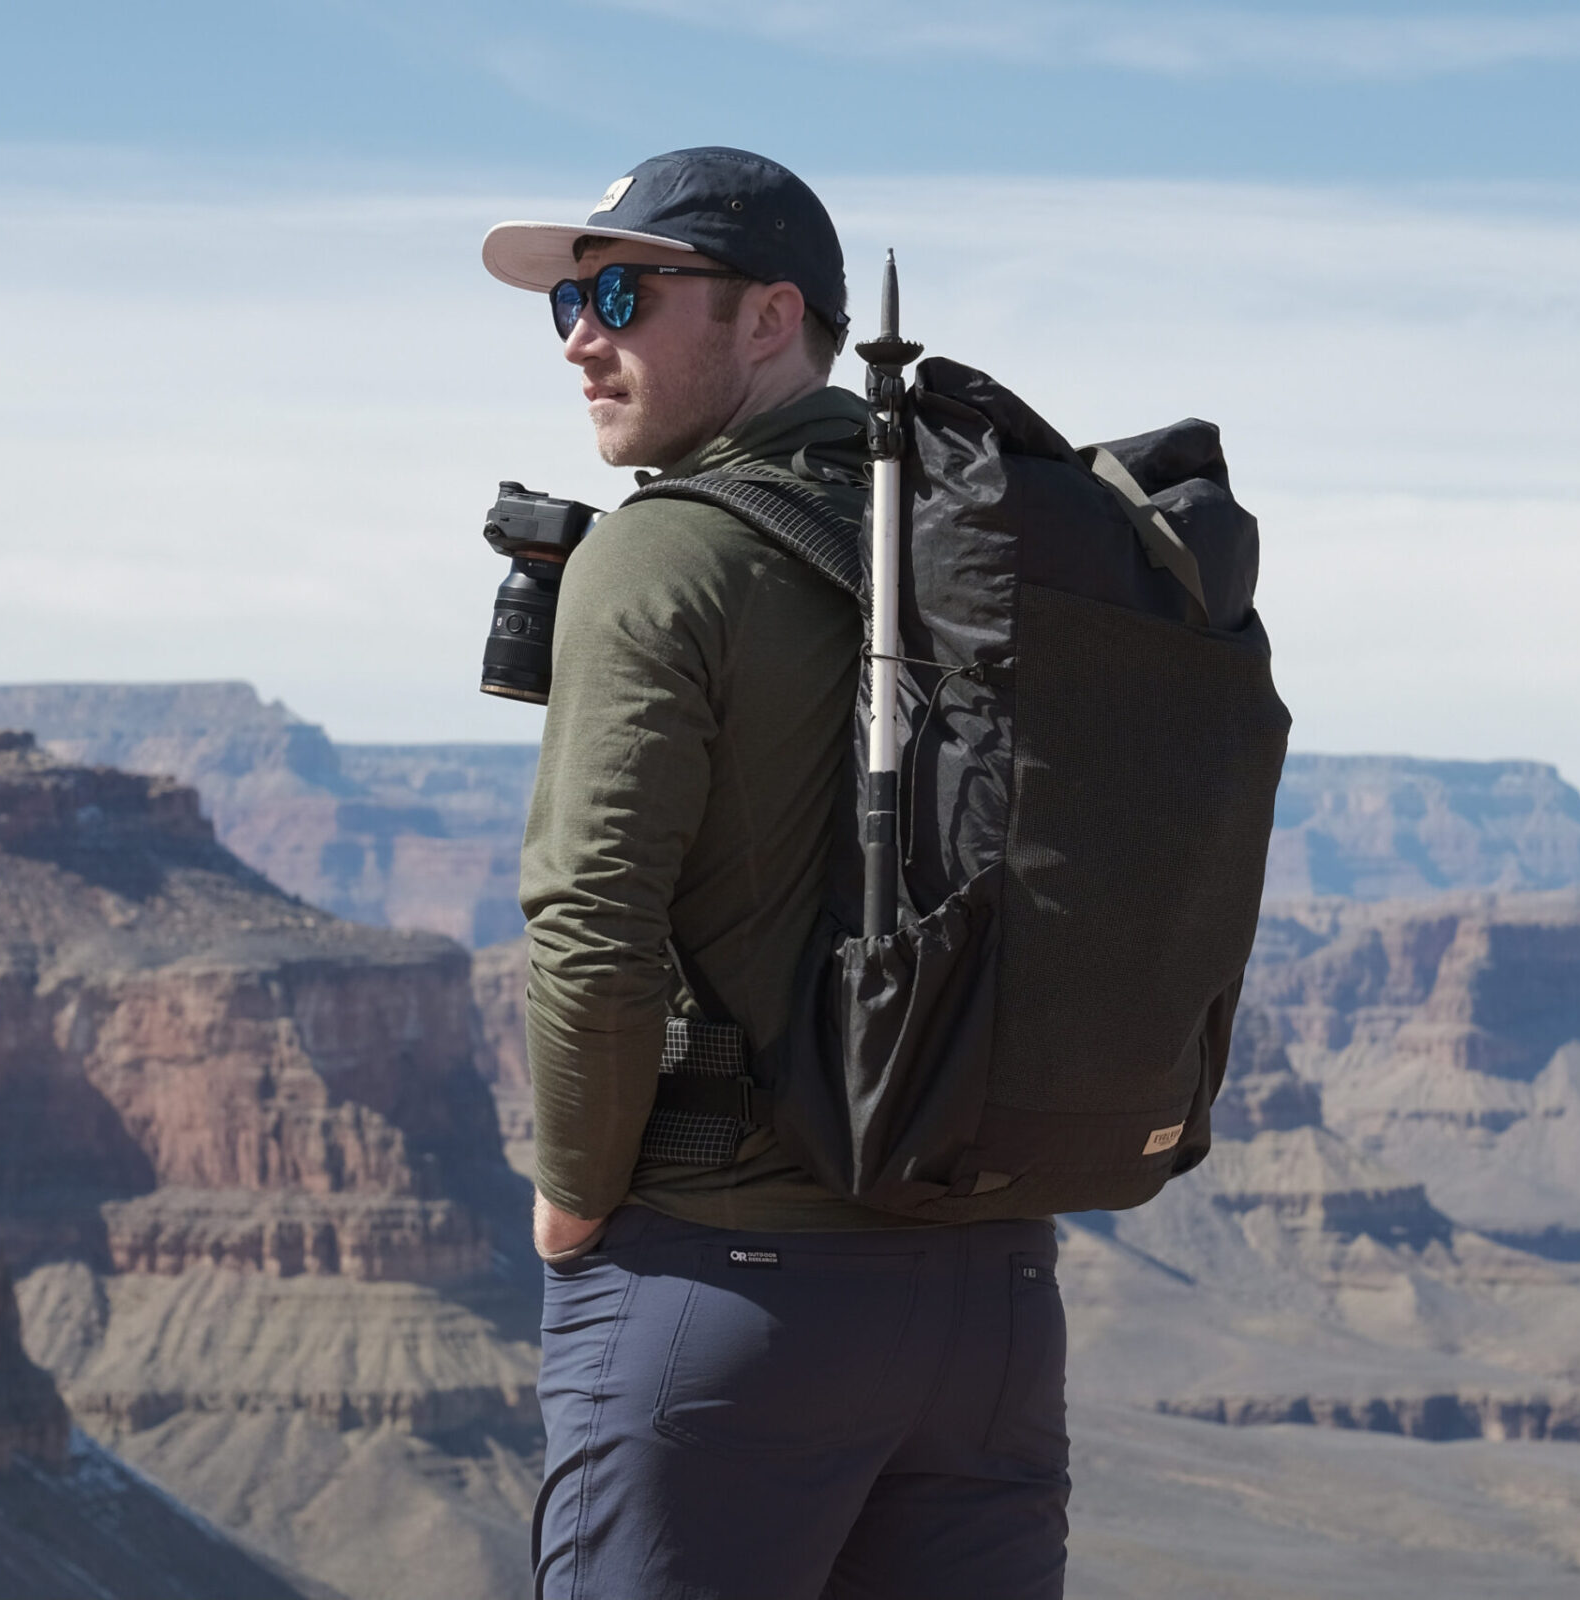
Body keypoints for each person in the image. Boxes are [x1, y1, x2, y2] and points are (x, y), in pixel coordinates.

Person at [480, 147, 1069, 1600]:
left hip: (728, 1285)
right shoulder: (982, 546)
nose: (578, 336)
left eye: (623, 289)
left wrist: (572, 1199)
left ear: (767, 319)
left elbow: (591, 919)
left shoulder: (661, 557)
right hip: (993, 1301)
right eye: (566, 297)